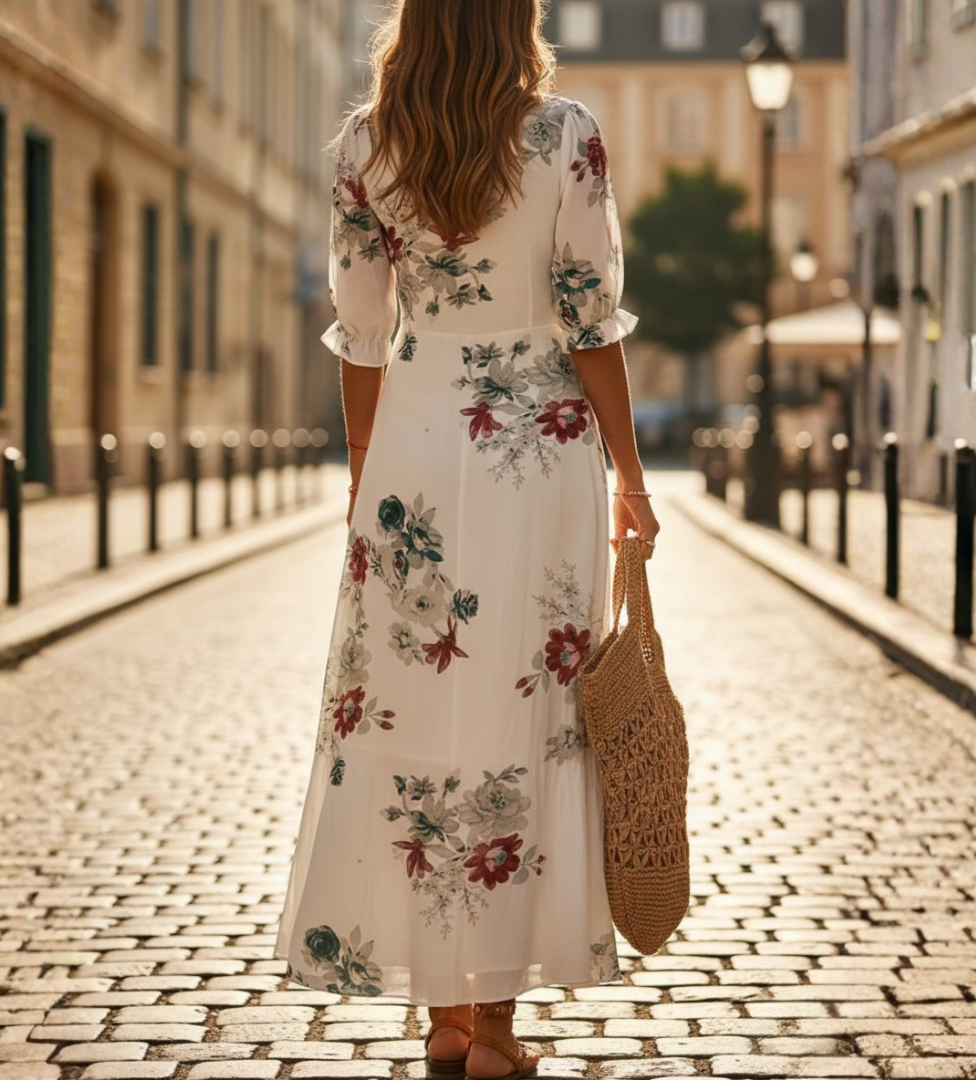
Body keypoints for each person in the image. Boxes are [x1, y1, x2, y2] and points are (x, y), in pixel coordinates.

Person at [274, 2, 660, 1077]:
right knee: (529, 714)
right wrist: (630, 474)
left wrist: (366, 479)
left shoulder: (364, 143)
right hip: (537, 448)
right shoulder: (565, 133)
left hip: (414, 441)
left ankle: (444, 1014)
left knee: (412, 708)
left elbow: (360, 333)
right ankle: (494, 1029)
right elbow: (588, 319)